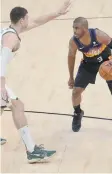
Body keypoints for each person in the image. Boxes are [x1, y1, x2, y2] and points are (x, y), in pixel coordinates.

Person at [0, 0, 72, 163]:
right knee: (17, 106)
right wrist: (1, 85)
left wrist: (58, 12)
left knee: (3, 105)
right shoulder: (11, 38)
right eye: (27, 17)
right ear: (21, 20)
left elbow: (38, 21)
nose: (29, 20)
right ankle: (32, 150)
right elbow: (2, 62)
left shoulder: (11, 30)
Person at [67, 17, 112, 138]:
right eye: (73, 27)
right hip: (88, 65)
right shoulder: (74, 41)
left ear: (85, 29)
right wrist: (71, 77)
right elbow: (71, 57)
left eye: (77, 28)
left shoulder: (98, 35)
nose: (74, 31)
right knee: (75, 92)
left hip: (106, 62)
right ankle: (78, 113)